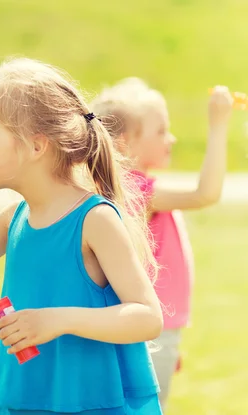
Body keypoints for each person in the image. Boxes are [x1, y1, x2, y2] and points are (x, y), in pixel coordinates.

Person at [0, 57, 164, 414]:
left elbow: (147, 317)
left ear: (37, 146)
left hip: (87, 402)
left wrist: (58, 319)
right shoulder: (16, 218)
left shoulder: (93, 220)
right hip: (23, 397)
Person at [90, 78, 233, 411]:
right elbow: (205, 194)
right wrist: (218, 125)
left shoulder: (130, 189)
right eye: (160, 131)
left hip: (157, 329)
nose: (171, 138)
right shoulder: (136, 191)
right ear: (125, 144)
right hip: (154, 329)